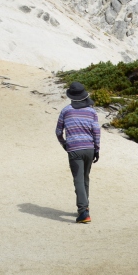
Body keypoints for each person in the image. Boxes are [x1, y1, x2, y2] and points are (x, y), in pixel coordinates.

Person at [56, 81, 101, 223]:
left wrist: (64, 144)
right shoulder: (92, 112)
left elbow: (58, 131)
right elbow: (96, 132)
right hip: (89, 148)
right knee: (85, 178)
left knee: (78, 180)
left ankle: (83, 212)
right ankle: (85, 208)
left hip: (74, 149)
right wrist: (97, 149)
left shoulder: (66, 110)